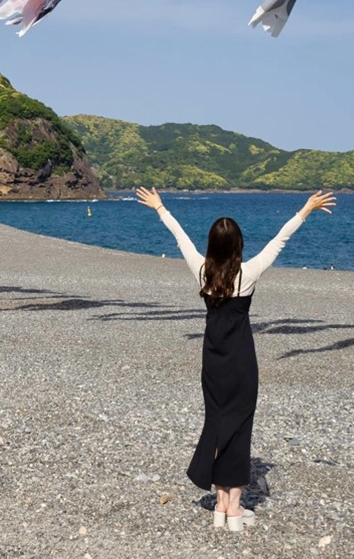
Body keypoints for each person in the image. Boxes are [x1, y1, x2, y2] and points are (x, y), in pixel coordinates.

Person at [135, 186, 336, 533]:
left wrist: (160, 208)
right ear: (239, 246)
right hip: (242, 362)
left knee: (217, 425)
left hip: (212, 362)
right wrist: (306, 209)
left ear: (212, 246)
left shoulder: (201, 271)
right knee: (239, 430)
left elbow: (181, 238)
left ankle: (220, 504)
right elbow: (279, 241)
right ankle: (234, 509)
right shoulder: (249, 272)